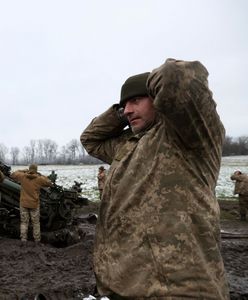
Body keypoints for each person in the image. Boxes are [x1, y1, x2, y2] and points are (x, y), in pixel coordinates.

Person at [81, 58, 230, 299]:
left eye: (136, 100)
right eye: (124, 105)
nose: (128, 110)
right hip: (123, 285)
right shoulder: (127, 144)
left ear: (159, 100)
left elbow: (176, 77)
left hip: (179, 290)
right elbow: (90, 139)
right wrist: (121, 114)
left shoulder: (187, 136)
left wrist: (156, 93)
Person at [10, 164, 52, 243]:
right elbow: (49, 183)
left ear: (29, 169)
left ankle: (23, 239)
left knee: (24, 222)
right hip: (34, 204)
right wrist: (40, 174)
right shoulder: (39, 179)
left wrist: (23, 170)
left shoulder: (22, 176)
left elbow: (13, 174)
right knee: (36, 223)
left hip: (24, 204)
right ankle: (37, 240)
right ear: (36, 170)